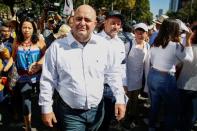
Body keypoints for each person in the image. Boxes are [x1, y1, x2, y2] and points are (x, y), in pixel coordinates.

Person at [39, 4, 126, 131]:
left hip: (97, 112)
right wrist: (46, 108)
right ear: (73, 20)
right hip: (70, 114)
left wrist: (120, 99)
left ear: (95, 23)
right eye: (79, 18)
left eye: (88, 20)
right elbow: (48, 79)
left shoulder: (104, 46)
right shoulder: (56, 47)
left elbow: (113, 74)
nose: (82, 23)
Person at [147, 18, 193, 131]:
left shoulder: (155, 43)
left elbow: (153, 60)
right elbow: (189, 59)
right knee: (173, 109)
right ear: (175, 30)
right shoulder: (175, 46)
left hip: (153, 74)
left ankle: (151, 126)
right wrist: (188, 40)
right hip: (166, 78)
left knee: (155, 105)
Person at [11, 17, 46, 131]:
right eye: (24, 27)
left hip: (39, 76)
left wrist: (38, 64)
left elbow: (48, 56)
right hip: (23, 77)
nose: (26, 30)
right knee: (26, 102)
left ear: (33, 29)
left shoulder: (39, 40)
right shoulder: (17, 40)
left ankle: (45, 122)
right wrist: (4, 69)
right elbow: (12, 57)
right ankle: (28, 126)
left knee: (40, 100)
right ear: (20, 28)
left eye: (29, 28)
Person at [97, 10, 126, 130]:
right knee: (95, 122)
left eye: (118, 24)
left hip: (112, 88)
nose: (116, 26)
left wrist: (123, 87)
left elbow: (120, 67)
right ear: (105, 23)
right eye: (113, 23)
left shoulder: (120, 43)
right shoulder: (94, 40)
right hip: (96, 87)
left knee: (108, 120)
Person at [121, 23, 150, 129]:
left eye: (143, 32)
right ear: (134, 32)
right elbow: (122, 63)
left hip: (138, 80)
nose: (140, 34)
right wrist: (123, 81)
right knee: (125, 101)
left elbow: (147, 66)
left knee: (134, 101)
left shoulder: (147, 46)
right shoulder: (129, 45)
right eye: (138, 31)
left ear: (146, 34)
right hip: (127, 79)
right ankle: (121, 120)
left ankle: (131, 118)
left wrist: (146, 84)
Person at [177, 24, 197, 131]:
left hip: (182, 84)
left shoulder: (185, 49)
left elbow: (178, 66)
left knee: (181, 111)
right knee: (192, 114)